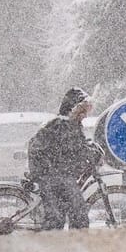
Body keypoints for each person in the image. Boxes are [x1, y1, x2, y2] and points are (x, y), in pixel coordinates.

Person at [26, 87, 98, 230]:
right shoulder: (61, 124)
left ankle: (68, 240)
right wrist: (89, 153)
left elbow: (77, 144)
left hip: (57, 172)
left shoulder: (71, 124)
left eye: (86, 111)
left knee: (67, 210)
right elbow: (71, 148)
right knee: (72, 212)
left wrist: (90, 148)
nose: (84, 115)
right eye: (81, 111)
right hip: (51, 173)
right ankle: (70, 241)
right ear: (72, 109)